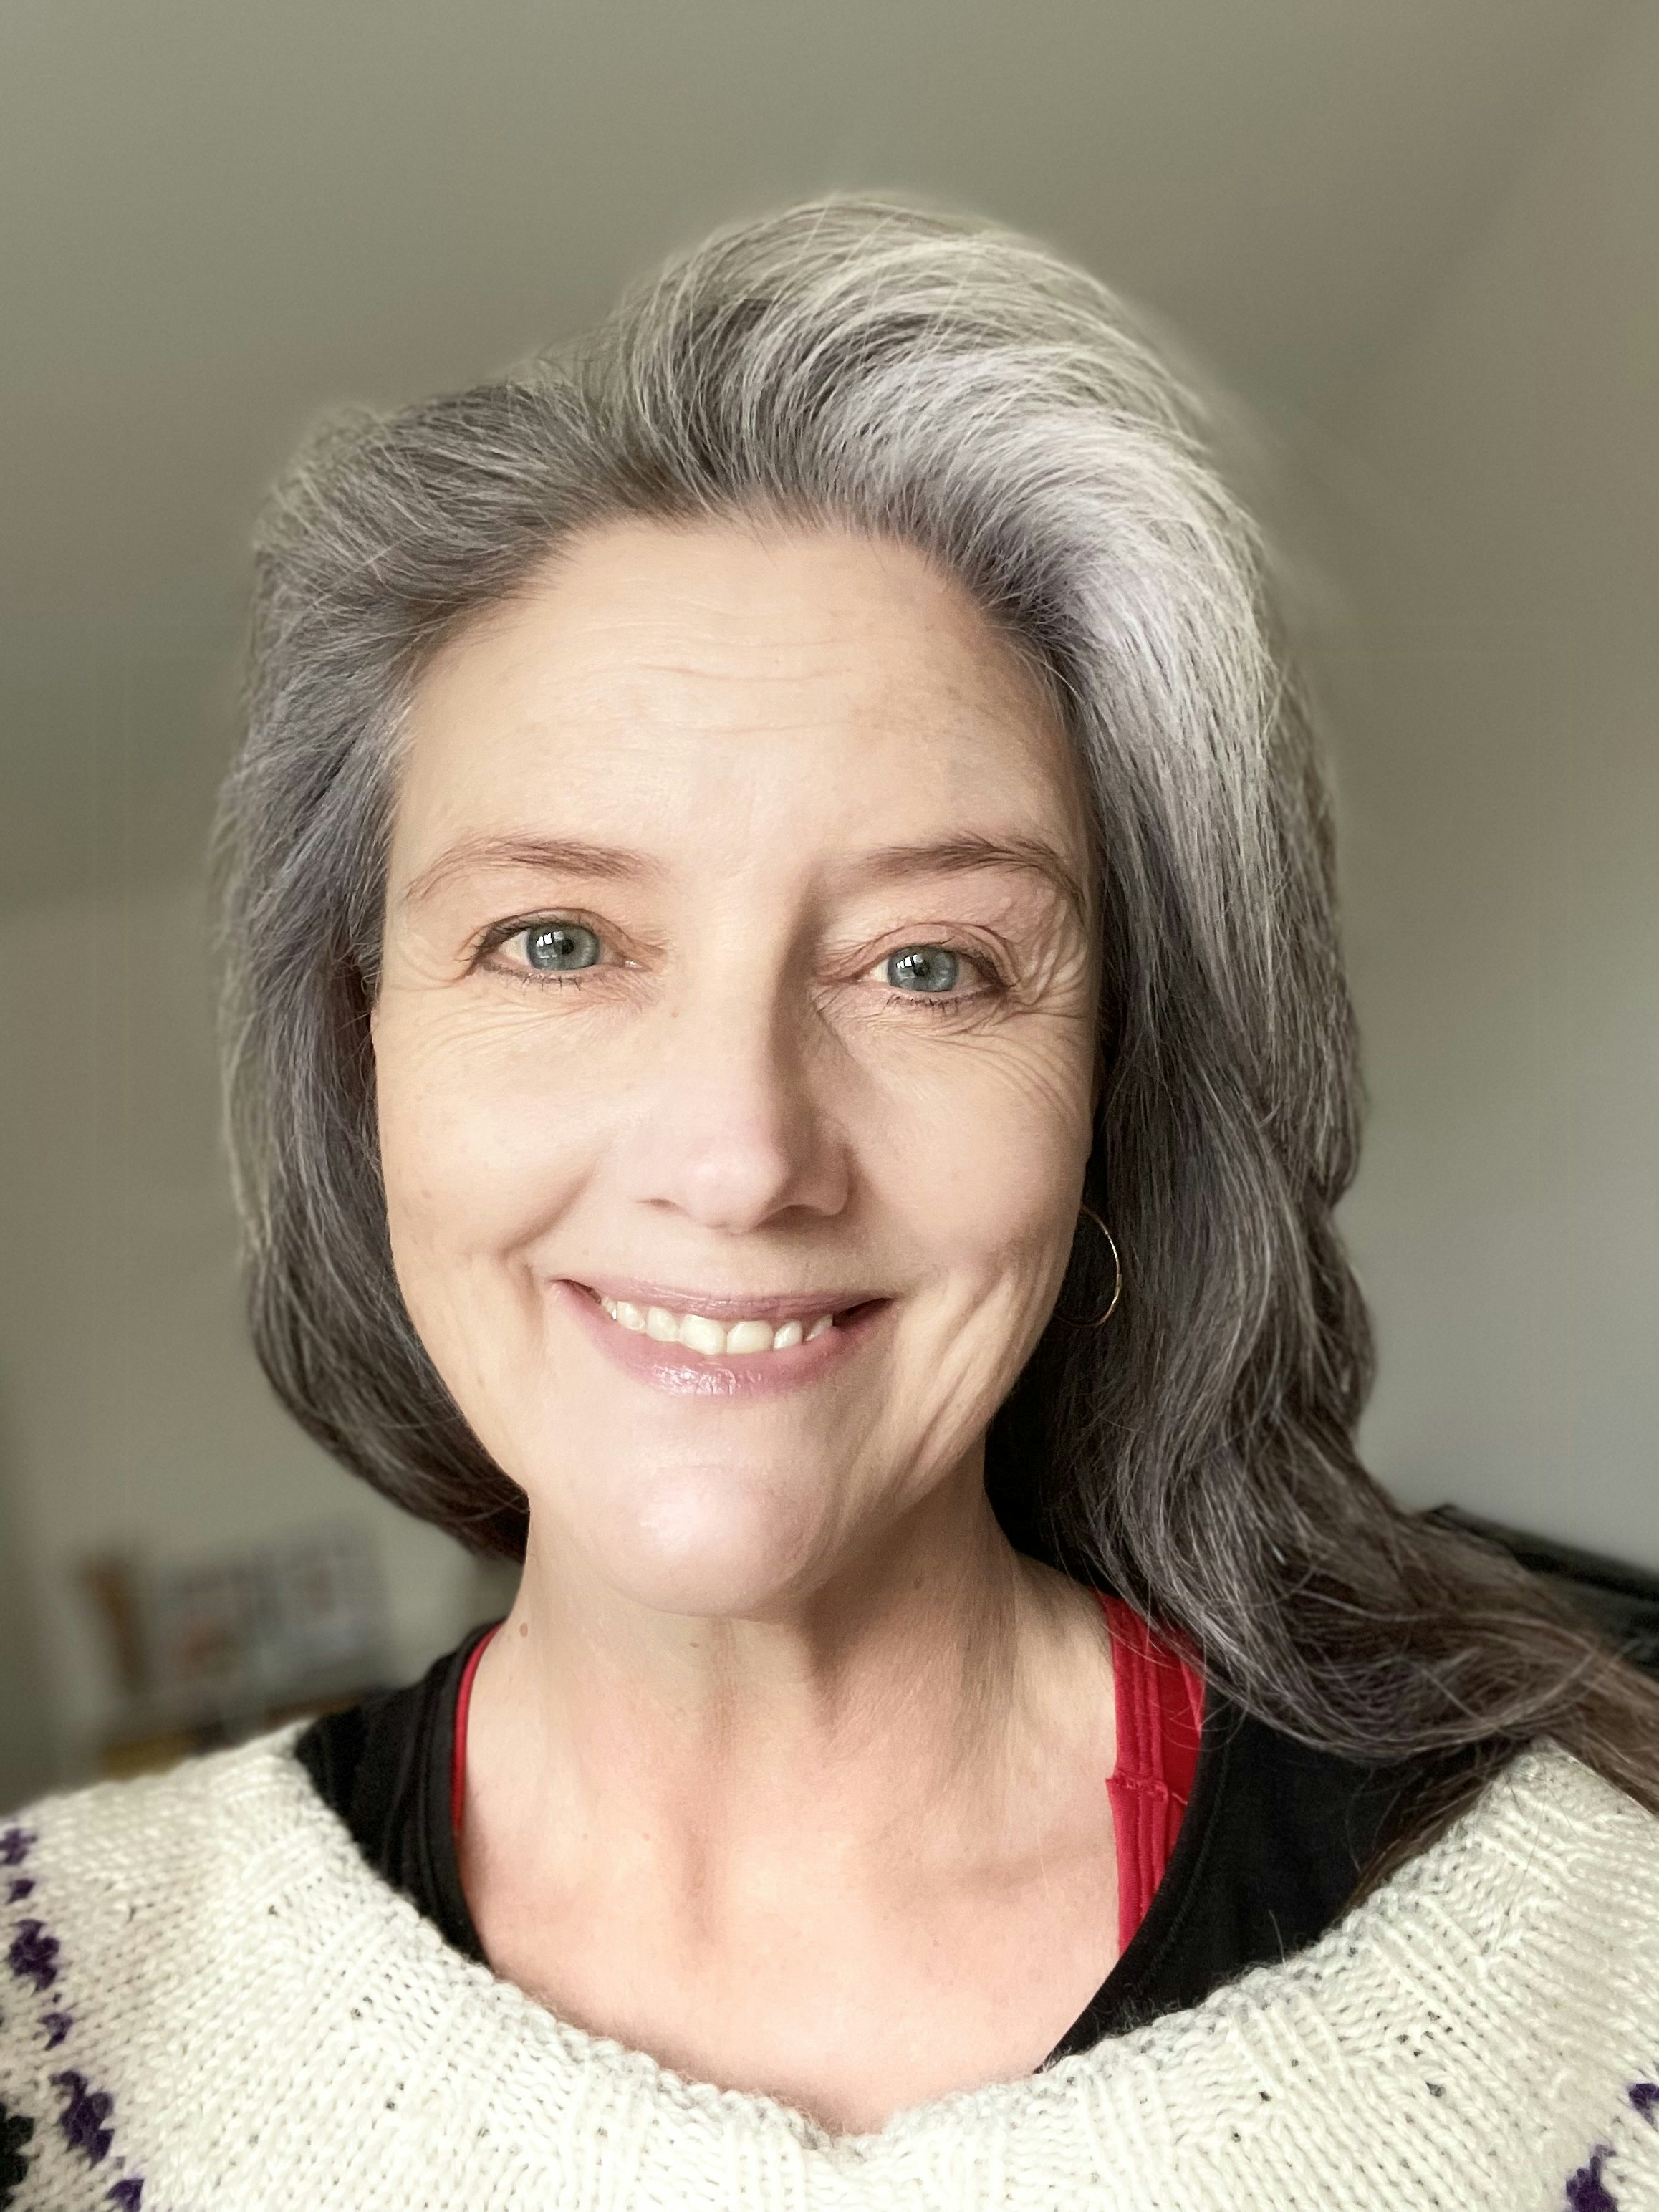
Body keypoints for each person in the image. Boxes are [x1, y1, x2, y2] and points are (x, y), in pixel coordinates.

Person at [4, 195, 1658, 2211]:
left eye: (928, 965)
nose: (739, 1155)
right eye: (555, 942)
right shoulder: (52, 2024)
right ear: (364, 1058)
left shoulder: (1605, 1965)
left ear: (1108, 1087)